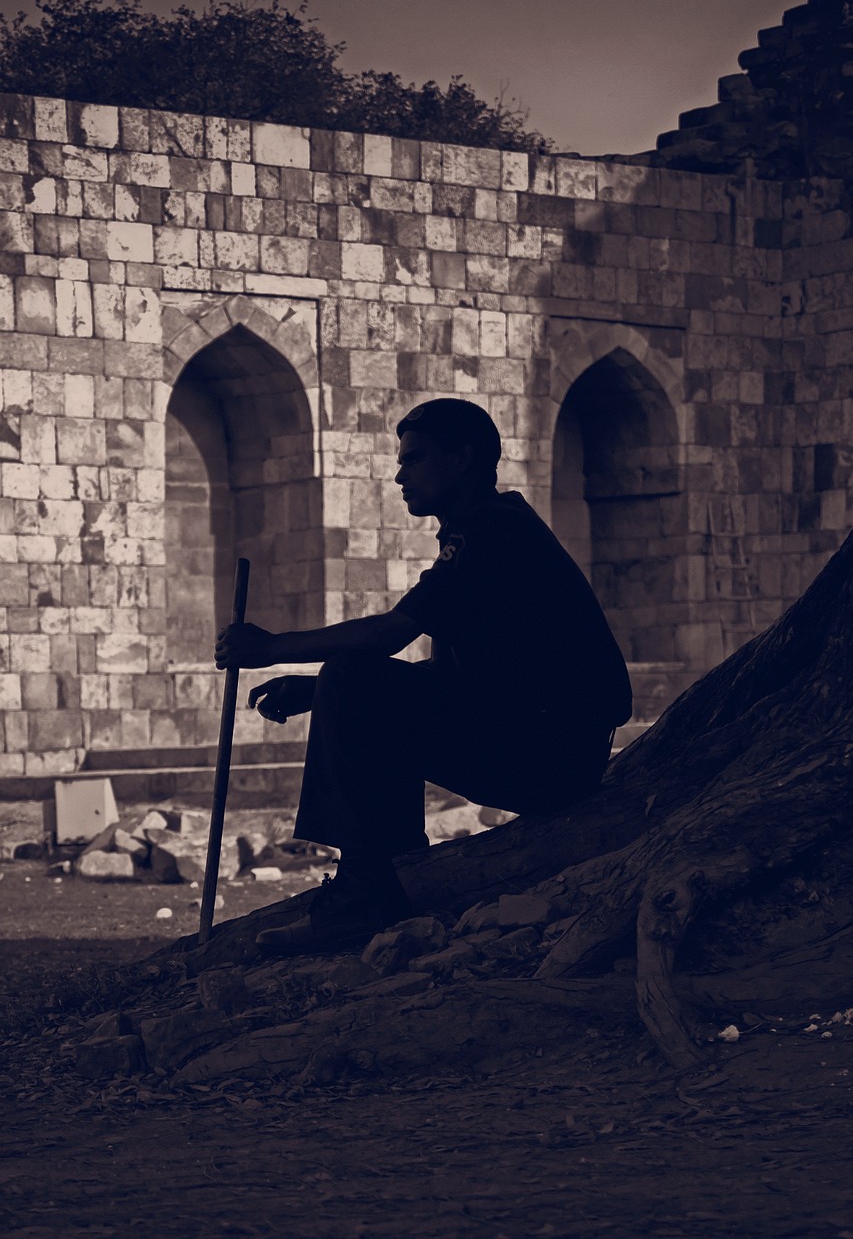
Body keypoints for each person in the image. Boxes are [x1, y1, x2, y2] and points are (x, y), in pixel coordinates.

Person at [214, 398, 632, 955]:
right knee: (348, 680)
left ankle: (365, 891)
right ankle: (385, 869)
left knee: (352, 674)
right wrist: (318, 691)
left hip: (550, 757)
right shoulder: (487, 529)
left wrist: (271, 648)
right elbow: (449, 675)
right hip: (542, 745)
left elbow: (389, 634)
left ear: (461, 459)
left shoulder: (492, 533)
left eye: (414, 459)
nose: (399, 476)